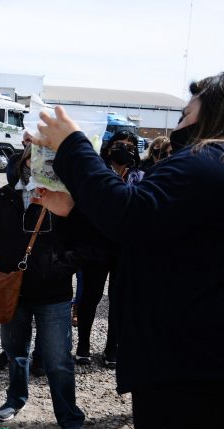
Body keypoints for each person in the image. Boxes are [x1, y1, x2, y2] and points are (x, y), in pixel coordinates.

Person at [32, 73, 224, 429]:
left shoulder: (217, 160)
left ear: (220, 109)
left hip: (207, 366)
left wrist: (73, 145)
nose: (181, 117)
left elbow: (129, 213)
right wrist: (76, 207)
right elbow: (150, 230)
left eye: (189, 108)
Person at [0, 144, 88, 429]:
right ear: (24, 159)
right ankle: (15, 399)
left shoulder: (65, 197)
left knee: (58, 360)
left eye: (50, 159)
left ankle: (70, 419)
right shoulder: (6, 194)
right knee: (15, 351)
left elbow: (85, 242)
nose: (41, 164)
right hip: (11, 290)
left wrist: (60, 267)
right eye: (35, 156)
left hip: (53, 293)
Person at [74, 131, 143, 369]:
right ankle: (83, 345)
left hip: (125, 249)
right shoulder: (98, 173)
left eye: (129, 146)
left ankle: (112, 347)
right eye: (118, 145)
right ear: (109, 147)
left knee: (118, 300)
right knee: (90, 297)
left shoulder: (140, 177)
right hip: (97, 246)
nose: (123, 149)